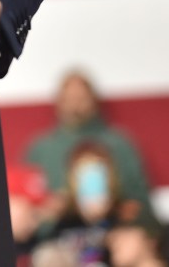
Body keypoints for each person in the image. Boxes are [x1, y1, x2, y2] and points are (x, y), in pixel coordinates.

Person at [26, 71, 156, 221]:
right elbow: (27, 207)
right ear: (59, 102)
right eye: (69, 99)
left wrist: (115, 206)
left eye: (81, 98)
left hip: (115, 231)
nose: (76, 105)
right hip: (58, 234)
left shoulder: (119, 144)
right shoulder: (41, 149)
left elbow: (140, 200)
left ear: (93, 101)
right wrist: (52, 210)